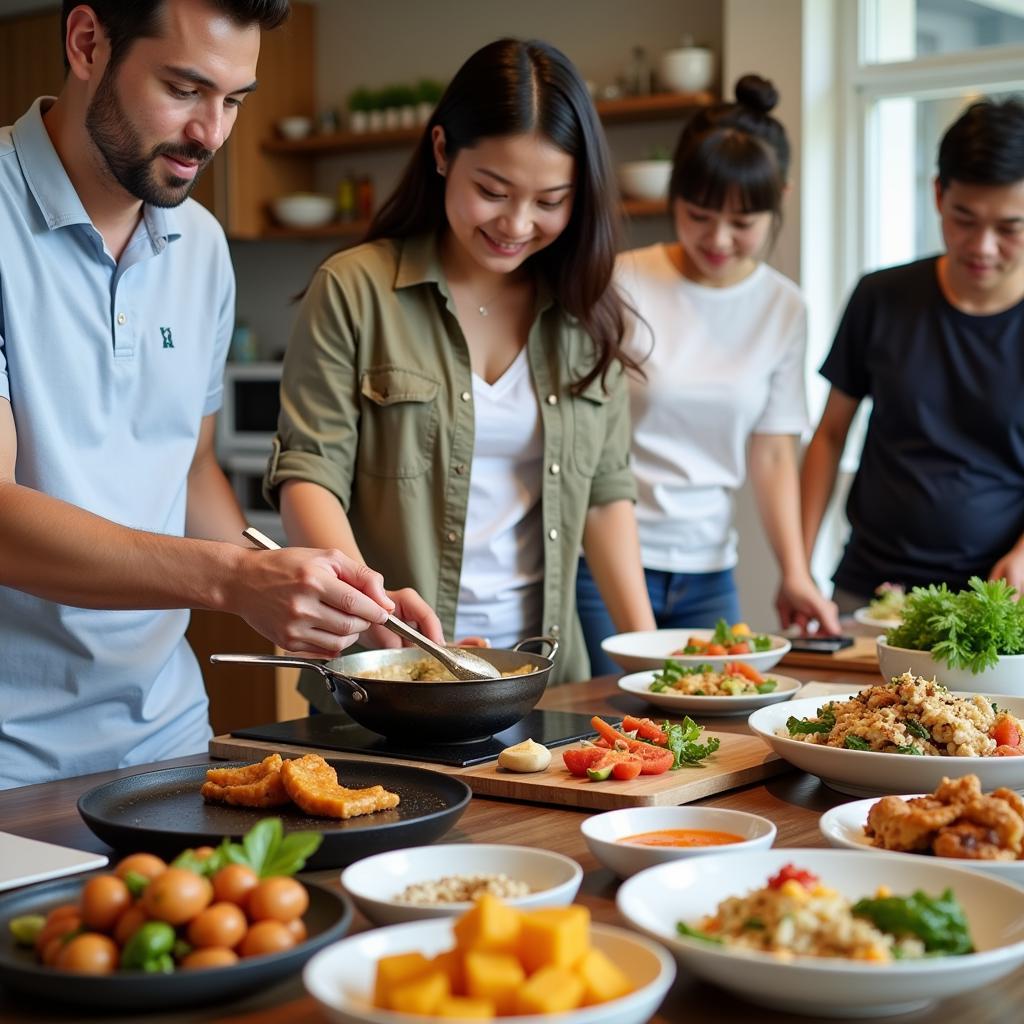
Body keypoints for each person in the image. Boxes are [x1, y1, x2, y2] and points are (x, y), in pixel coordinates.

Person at [0, 0, 426, 789]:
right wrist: (233, 581)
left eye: (234, 99)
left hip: (166, 738)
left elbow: (191, 466)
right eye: (184, 88)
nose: (212, 132)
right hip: (12, 757)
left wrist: (307, 586)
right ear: (87, 42)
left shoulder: (199, 245)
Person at [264, 37, 656, 704]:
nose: (518, 223)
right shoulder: (356, 290)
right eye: (494, 191)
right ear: (443, 153)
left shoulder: (584, 314)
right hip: (388, 678)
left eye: (550, 200)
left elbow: (607, 498)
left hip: (546, 681)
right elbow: (309, 475)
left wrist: (653, 670)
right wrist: (381, 619)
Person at [576, 74, 839, 676]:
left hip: (710, 571)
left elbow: (773, 454)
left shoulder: (784, 306)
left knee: (712, 737)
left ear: (781, 200)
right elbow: (585, 444)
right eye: (698, 215)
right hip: (606, 564)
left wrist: (795, 574)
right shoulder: (617, 283)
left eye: (743, 223)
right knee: (616, 738)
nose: (718, 239)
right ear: (674, 196)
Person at [801, 97, 1024, 612]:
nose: (982, 246)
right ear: (938, 194)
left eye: (1009, 228)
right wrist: (800, 566)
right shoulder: (881, 297)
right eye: (963, 219)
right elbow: (830, 434)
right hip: (871, 591)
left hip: (997, 599)